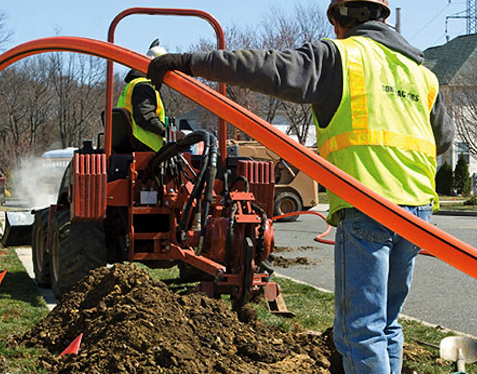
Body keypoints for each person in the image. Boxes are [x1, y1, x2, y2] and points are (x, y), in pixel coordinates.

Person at [147, 1, 455, 373]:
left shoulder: (341, 57)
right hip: (417, 210)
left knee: (361, 331)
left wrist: (188, 63)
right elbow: (443, 141)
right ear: (383, 16)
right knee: (387, 324)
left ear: (336, 18)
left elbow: (265, 68)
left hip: (369, 204)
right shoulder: (421, 74)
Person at [117, 39, 168, 152]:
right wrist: (167, 132)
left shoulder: (134, 84)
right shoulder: (143, 87)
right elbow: (145, 117)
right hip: (146, 146)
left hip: (137, 145)